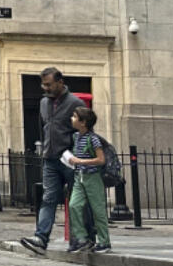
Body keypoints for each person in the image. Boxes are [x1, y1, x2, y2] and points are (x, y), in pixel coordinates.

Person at [20, 67, 85, 255]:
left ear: (60, 82)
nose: (45, 88)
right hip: (50, 159)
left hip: (70, 160)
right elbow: (46, 127)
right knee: (48, 198)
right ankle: (41, 238)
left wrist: (75, 155)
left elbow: (84, 131)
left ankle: (78, 239)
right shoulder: (43, 103)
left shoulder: (76, 103)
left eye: (48, 84)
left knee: (76, 201)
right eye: (43, 84)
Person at [66, 107, 112, 253]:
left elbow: (101, 160)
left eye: (74, 117)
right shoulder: (76, 137)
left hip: (92, 177)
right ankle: (82, 238)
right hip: (79, 177)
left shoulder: (93, 139)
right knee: (74, 205)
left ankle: (104, 242)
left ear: (83, 122)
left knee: (98, 210)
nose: (71, 119)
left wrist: (79, 161)